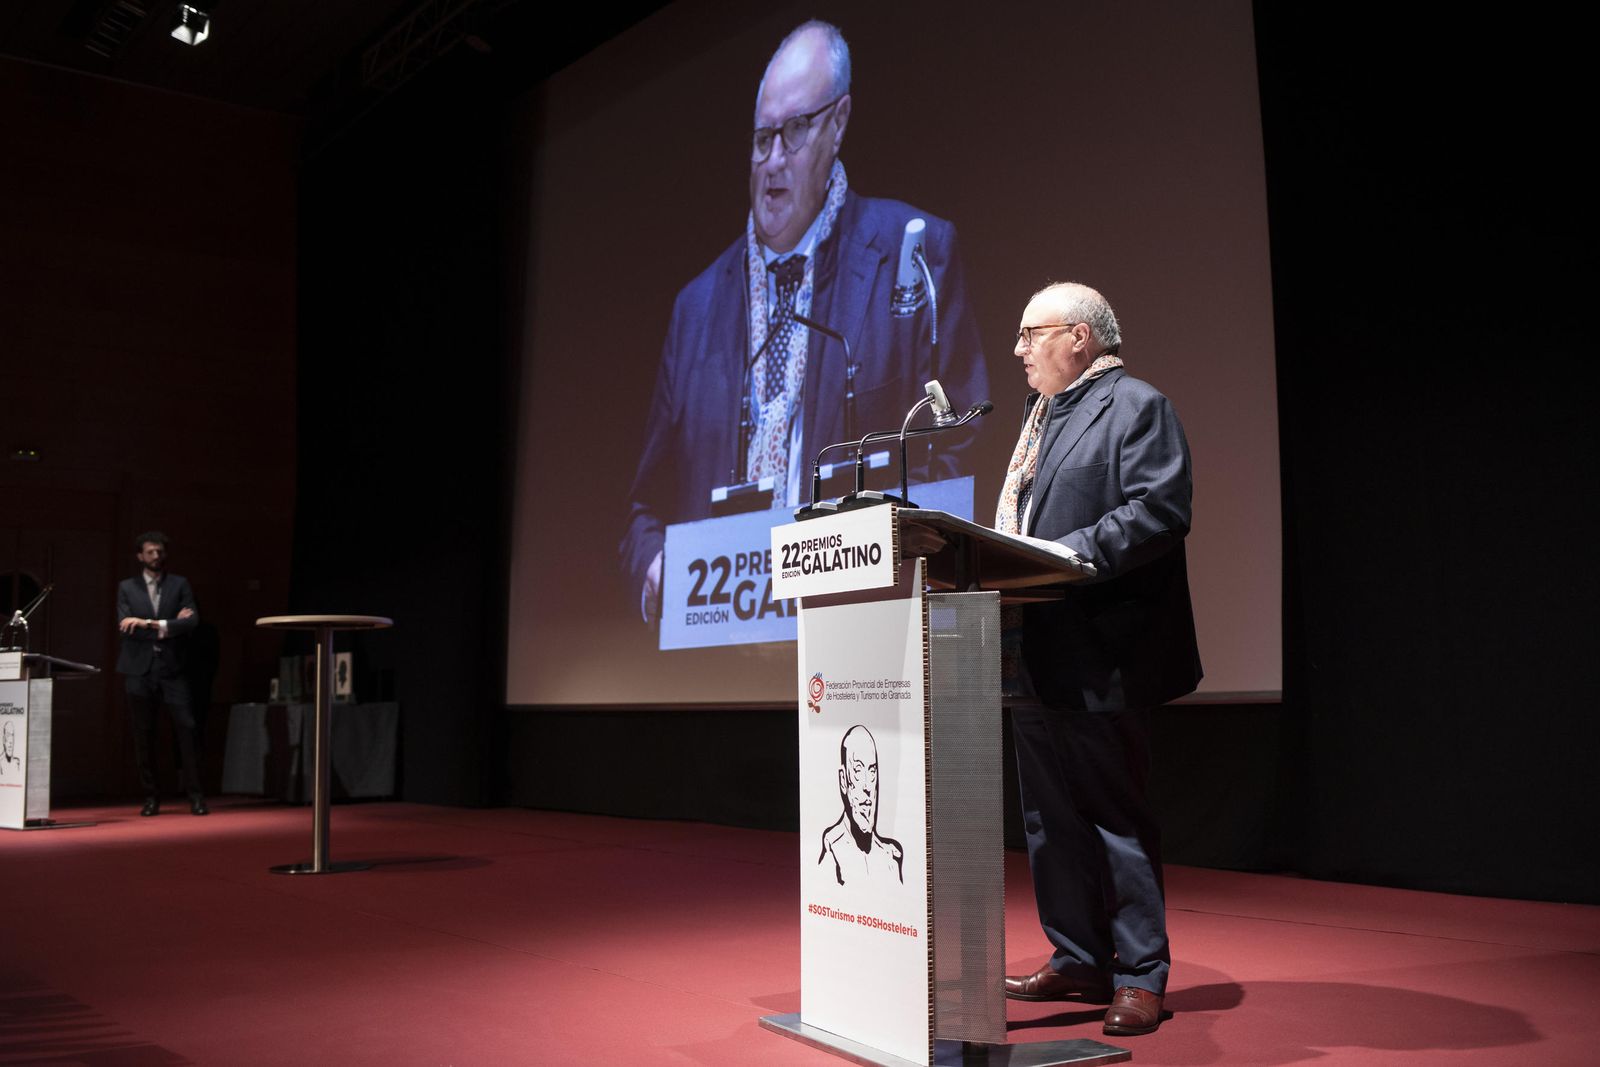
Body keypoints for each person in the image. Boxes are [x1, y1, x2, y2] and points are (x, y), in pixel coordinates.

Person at [620, 19, 988, 620]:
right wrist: (656, 564)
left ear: (839, 122)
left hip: (863, 629)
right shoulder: (695, 307)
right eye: (761, 138)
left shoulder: (911, 253)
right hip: (717, 641)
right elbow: (646, 507)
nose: (772, 160)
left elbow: (959, 443)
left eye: (794, 131)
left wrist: (904, 556)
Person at [995, 283, 1201, 1037]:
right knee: (1048, 819)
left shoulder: (1136, 405)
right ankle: (1079, 955)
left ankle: (1141, 973)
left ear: (1079, 337)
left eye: (1030, 333)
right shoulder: (1043, 415)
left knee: (1113, 816)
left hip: (1099, 652)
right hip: (1026, 648)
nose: (1017, 349)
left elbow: (1159, 510)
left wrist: (1061, 554)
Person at [116, 531, 208, 816]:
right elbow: (124, 623)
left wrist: (150, 624)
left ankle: (196, 795)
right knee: (144, 734)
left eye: (160, 552)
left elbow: (192, 620)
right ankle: (151, 797)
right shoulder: (127, 588)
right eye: (151, 552)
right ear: (140, 556)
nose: (156, 556)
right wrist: (168, 623)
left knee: (187, 728)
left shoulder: (179, 585)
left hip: (173, 668)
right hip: (139, 669)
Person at [817, 725, 904, 885]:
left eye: (872, 771)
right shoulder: (833, 848)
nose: (867, 786)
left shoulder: (891, 856)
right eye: (858, 770)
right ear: (843, 780)